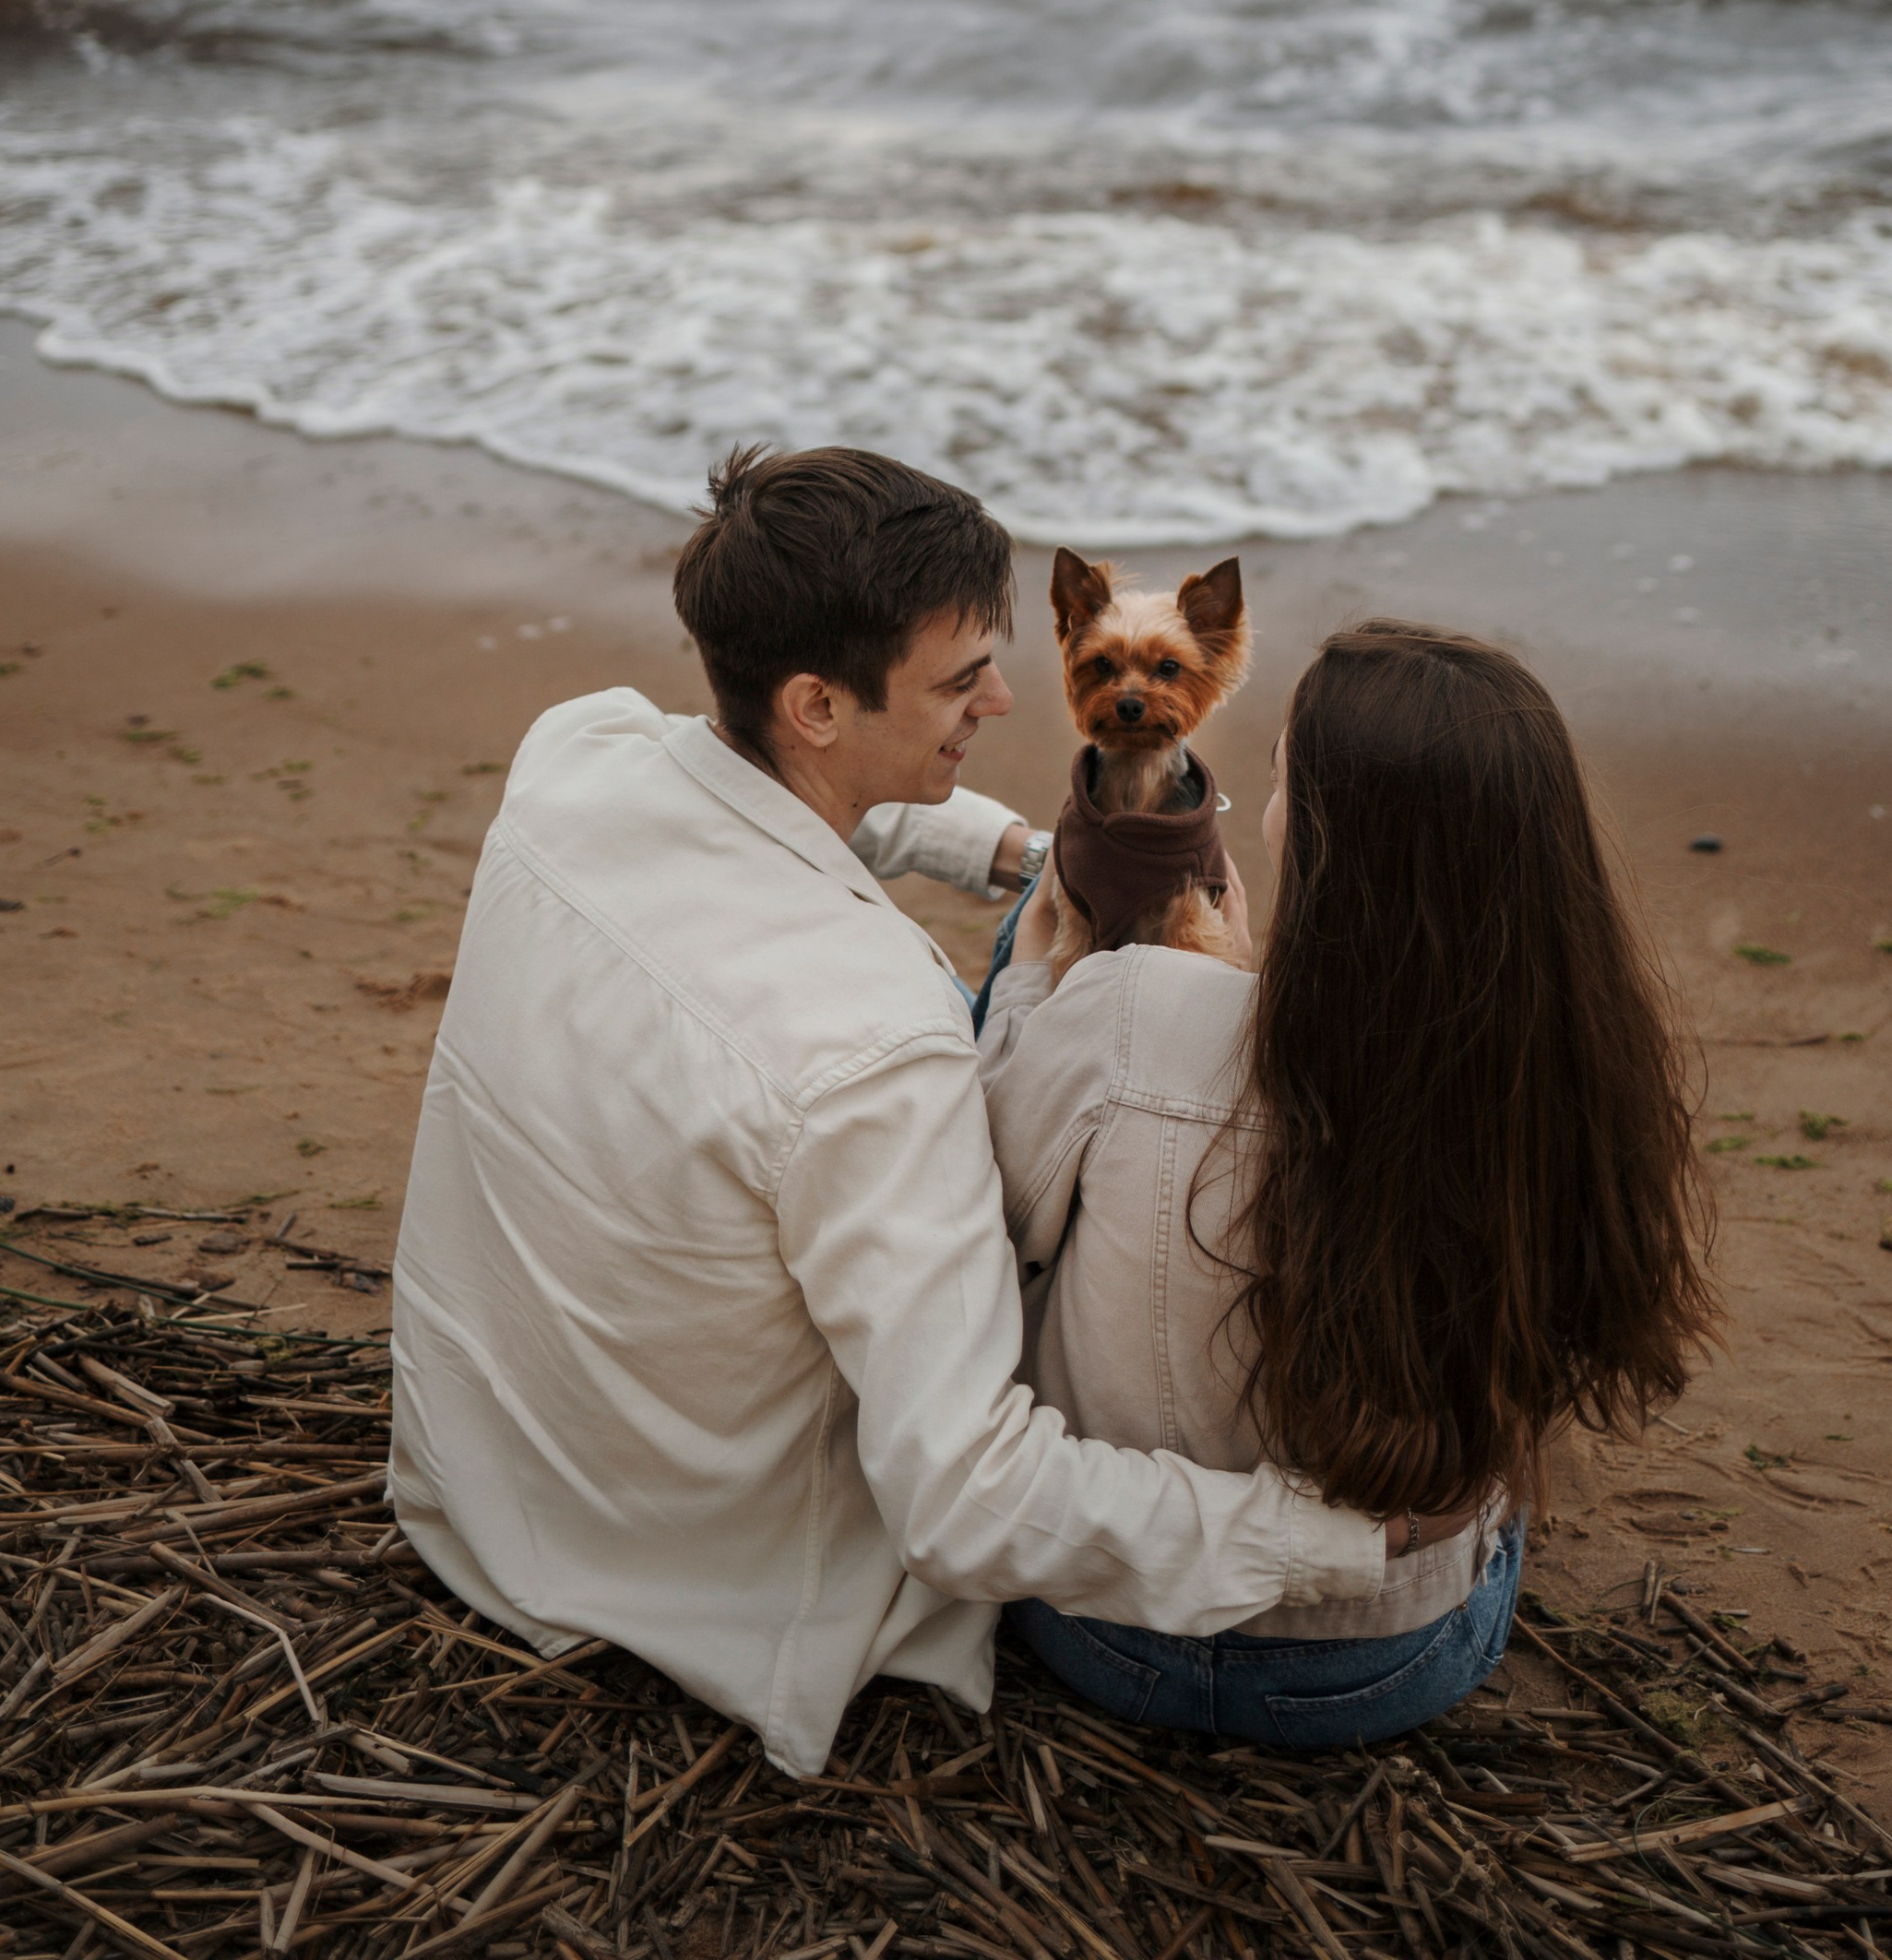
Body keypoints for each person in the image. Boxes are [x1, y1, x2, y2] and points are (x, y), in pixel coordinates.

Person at [389, 447, 1454, 1780]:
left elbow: (760, 794)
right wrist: (1340, 1543)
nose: (1007, 700)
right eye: (961, 683)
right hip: (710, 1572)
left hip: (482, 1476)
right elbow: (967, 1503)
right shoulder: (879, 1049)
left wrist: (1018, 856)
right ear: (819, 704)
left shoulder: (576, 753)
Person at [979, 618, 1718, 1748]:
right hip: (1386, 1659)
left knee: (1024, 954)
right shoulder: (1560, 1061)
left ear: (1313, 825)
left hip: (1105, 1631)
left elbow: (991, 1227)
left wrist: (1037, 988)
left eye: (1277, 774)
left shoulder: (1125, 1003)